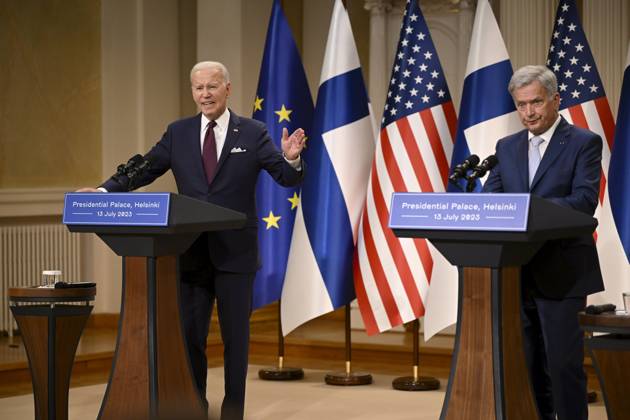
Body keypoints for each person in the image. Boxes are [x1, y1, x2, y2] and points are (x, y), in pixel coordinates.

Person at [79, 61, 306, 419]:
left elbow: (285, 178)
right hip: (189, 253)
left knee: (236, 343)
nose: (205, 94)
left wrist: (291, 160)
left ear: (228, 89)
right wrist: (104, 189)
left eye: (212, 87)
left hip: (236, 256)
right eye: (199, 88)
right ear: (192, 91)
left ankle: (233, 412)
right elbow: (145, 168)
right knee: (191, 340)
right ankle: (194, 407)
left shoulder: (253, 132)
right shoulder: (178, 133)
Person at [483, 65, 603, 420]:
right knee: (526, 365)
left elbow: (583, 201)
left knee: (563, 368)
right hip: (515, 275)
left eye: (535, 102)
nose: (528, 112)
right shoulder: (506, 147)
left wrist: (525, 211)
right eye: (521, 105)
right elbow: (493, 202)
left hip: (562, 273)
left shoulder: (583, 142)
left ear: (555, 100)